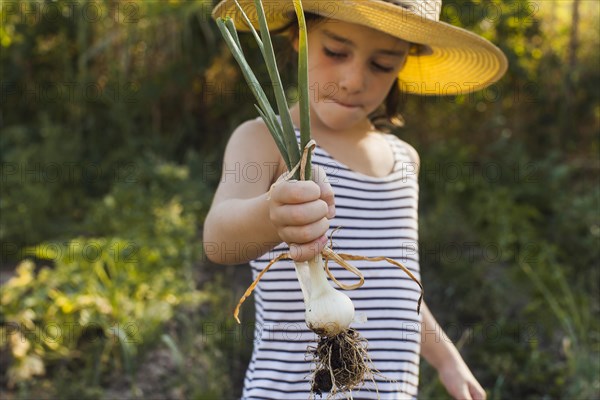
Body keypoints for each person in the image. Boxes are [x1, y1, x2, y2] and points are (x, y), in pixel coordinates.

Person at [205, 0, 508, 398]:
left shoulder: (404, 160)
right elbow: (219, 240)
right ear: (299, 36)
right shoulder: (266, 139)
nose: (352, 80)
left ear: (404, 63)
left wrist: (447, 358)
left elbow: (396, 285)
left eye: (382, 64)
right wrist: (271, 215)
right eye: (335, 52)